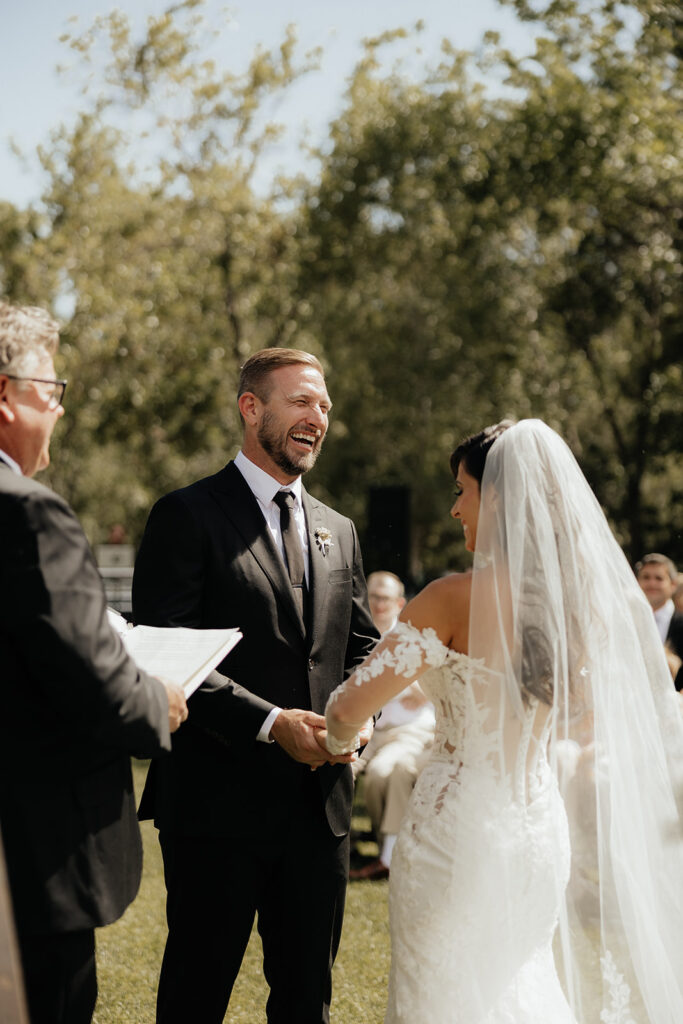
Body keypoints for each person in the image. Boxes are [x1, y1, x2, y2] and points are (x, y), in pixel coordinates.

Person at [324, 419, 683, 1022]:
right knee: (522, 980)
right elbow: (587, 715)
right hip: (537, 831)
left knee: (440, 987)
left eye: (463, 490)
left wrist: (338, 738)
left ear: (500, 498)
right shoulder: (579, 606)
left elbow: (349, 705)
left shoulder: (450, 597)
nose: (456, 507)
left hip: (454, 829)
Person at [132, 347, 379, 1024]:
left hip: (319, 810)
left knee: (307, 1002)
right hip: (216, 805)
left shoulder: (339, 530)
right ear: (251, 408)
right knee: (195, 995)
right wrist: (274, 725)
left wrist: (360, 722)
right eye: (300, 402)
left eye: (324, 406)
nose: (317, 418)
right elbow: (165, 654)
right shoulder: (186, 515)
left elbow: (361, 649)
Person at [0, 300, 188, 1024]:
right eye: (52, 390)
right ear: (7, 394)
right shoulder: (28, 514)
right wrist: (158, 701)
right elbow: (93, 685)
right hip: (31, 853)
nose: (59, 410)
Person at [350, 571, 434, 881]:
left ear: (399, 602)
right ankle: (347, 843)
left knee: (381, 774)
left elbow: (433, 690)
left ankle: (388, 851)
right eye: (373, 596)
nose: (378, 604)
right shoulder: (357, 631)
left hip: (406, 730)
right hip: (366, 729)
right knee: (342, 768)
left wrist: (412, 685)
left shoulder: (412, 635)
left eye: (384, 598)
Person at [635, 552, 683, 690]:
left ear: (673, 585)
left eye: (659, 578)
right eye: (646, 577)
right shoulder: (625, 622)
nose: (652, 583)